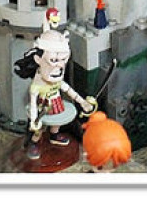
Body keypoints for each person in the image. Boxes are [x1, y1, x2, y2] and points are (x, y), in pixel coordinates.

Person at [14, 28, 96, 160]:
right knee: (39, 129)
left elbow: (68, 90)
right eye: (53, 60)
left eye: (63, 60)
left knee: (57, 122)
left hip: (57, 104)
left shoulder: (57, 79)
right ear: (38, 59)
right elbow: (33, 104)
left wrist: (83, 102)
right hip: (43, 108)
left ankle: (54, 135)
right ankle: (34, 142)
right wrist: (34, 120)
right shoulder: (36, 86)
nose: (59, 67)